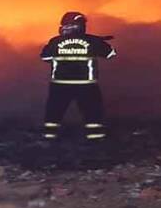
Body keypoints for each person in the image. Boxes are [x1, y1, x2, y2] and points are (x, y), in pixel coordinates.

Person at [40, 12, 116, 141]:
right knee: (93, 112)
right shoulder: (92, 41)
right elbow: (111, 54)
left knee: (54, 112)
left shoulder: (55, 41)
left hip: (59, 85)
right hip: (86, 85)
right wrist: (97, 42)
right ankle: (96, 140)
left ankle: (48, 138)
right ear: (80, 25)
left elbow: (45, 57)